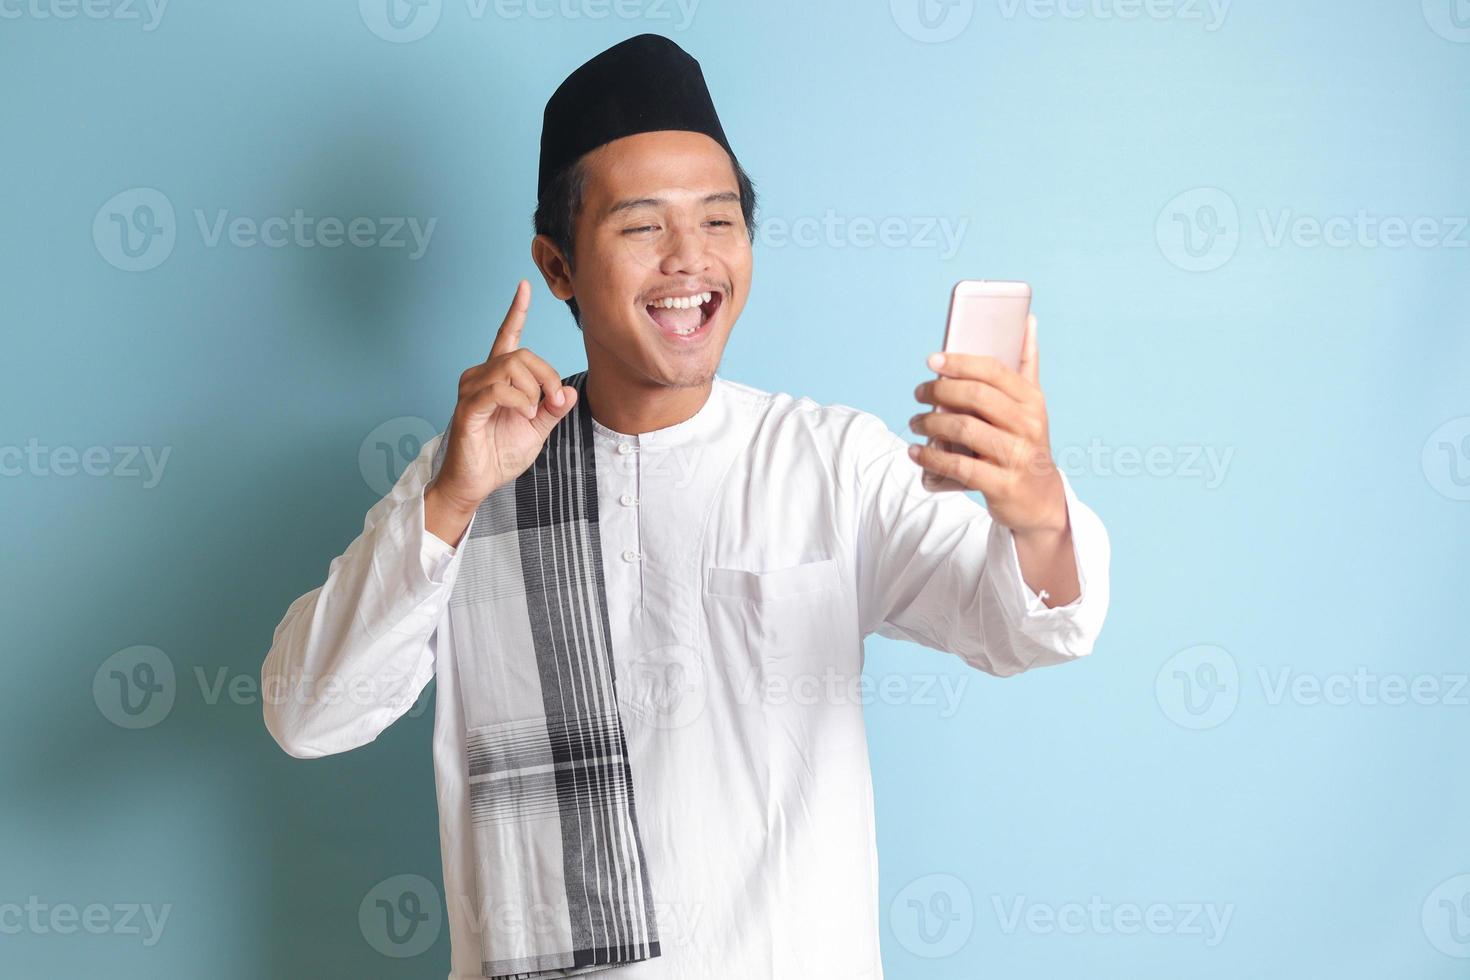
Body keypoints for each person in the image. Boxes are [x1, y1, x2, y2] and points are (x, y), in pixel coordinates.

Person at [261, 32, 1111, 980]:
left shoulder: (829, 461)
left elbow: (1028, 630)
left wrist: (1033, 508)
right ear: (558, 267)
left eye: (718, 221)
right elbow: (309, 716)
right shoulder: (474, 472)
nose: (689, 260)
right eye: (640, 227)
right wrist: (454, 498)